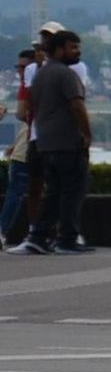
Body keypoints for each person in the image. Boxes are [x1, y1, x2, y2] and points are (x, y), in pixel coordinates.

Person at [24, 28, 92, 255]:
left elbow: (31, 106)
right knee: (73, 190)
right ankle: (67, 239)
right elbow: (77, 105)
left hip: (46, 142)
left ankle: (39, 236)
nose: (77, 52)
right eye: (72, 47)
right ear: (59, 49)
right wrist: (87, 133)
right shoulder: (66, 74)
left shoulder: (40, 74)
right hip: (67, 142)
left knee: (53, 192)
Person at [0, 45, 35, 246]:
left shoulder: (30, 86)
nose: (20, 72)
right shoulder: (26, 87)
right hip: (24, 151)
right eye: (18, 67)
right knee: (18, 193)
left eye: (23, 67)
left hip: (26, 150)